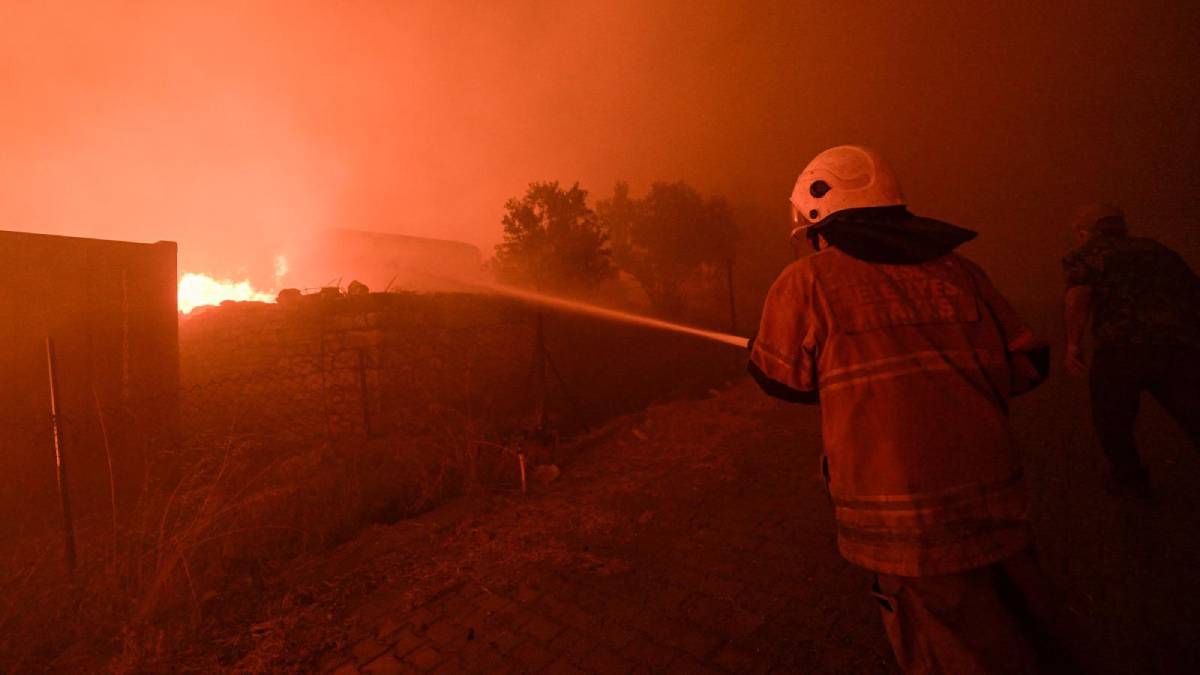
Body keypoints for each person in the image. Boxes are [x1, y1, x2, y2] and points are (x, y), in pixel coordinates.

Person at [749, 145, 1062, 673]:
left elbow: (781, 378)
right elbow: (1029, 366)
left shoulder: (805, 282)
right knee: (1031, 623)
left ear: (819, 218)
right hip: (995, 495)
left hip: (903, 516)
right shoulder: (962, 273)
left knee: (949, 647)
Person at [1062, 203, 1200, 496]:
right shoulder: (1159, 251)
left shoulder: (1086, 255)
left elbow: (1079, 296)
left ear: (1084, 231)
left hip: (1120, 350)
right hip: (1176, 346)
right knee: (1193, 413)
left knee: (1112, 419)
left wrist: (1073, 342)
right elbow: (1193, 290)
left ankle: (1131, 481)